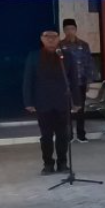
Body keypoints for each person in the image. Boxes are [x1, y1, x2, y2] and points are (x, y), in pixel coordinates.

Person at [23, 29, 81, 175]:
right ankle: (48, 164)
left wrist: (76, 101)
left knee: (63, 135)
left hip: (62, 101)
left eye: (54, 37)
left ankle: (62, 163)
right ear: (41, 39)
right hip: (43, 102)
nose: (50, 40)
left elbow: (74, 81)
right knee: (46, 136)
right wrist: (28, 101)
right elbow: (28, 80)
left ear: (58, 39)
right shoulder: (34, 56)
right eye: (47, 37)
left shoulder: (66, 56)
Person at [59, 19, 94, 143]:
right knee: (66, 110)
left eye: (72, 29)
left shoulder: (83, 45)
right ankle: (68, 135)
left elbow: (89, 63)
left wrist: (89, 80)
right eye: (67, 29)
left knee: (80, 109)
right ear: (64, 30)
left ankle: (81, 134)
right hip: (65, 83)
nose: (70, 32)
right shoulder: (59, 45)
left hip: (80, 82)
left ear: (76, 29)